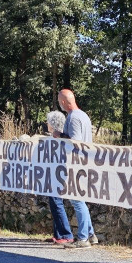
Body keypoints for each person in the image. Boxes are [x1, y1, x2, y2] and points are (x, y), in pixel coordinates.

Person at [53, 89, 98, 249]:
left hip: (76, 164)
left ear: (64, 102)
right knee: (80, 200)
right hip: (84, 163)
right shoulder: (83, 115)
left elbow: (75, 141)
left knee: (77, 200)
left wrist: (59, 135)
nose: (59, 105)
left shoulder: (73, 118)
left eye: (59, 102)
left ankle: (83, 238)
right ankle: (91, 235)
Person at [45, 110, 74, 244]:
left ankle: (66, 234)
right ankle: (57, 234)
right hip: (54, 172)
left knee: (56, 202)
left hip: (58, 173)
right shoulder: (55, 136)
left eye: (48, 122)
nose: (46, 123)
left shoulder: (59, 137)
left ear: (52, 123)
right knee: (54, 202)